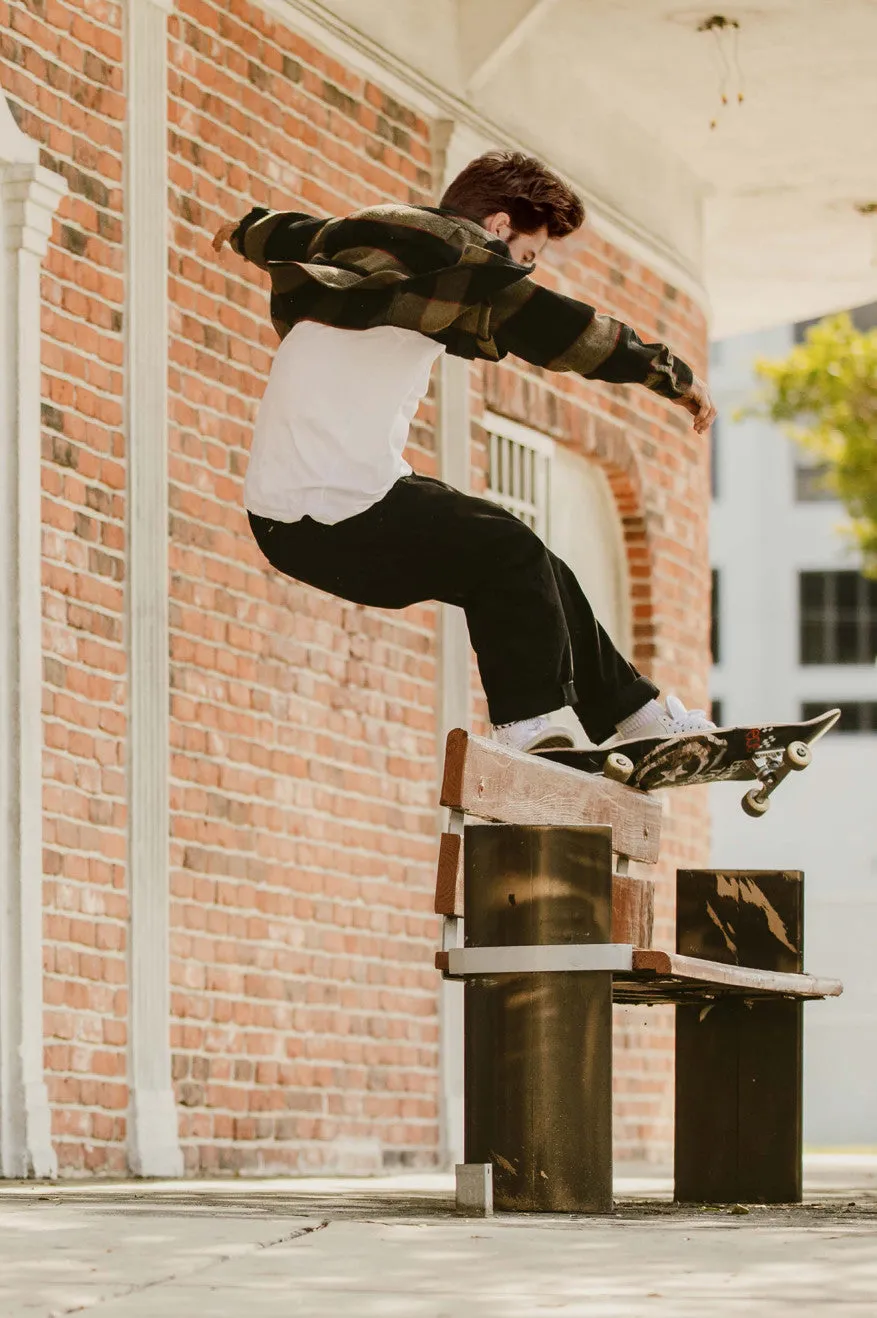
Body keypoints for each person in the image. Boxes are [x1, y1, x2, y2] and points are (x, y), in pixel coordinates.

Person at [212, 151, 717, 753]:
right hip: (331, 513)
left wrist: (243, 230)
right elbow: (567, 331)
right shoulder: (463, 266)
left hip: (302, 513)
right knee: (508, 550)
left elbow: (287, 229)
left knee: (540, 569)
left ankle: (634, 715)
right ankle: (529, 724)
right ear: (498, 228)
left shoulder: (361, 233)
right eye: (527, 259)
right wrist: (673, 377)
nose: (522, 275)